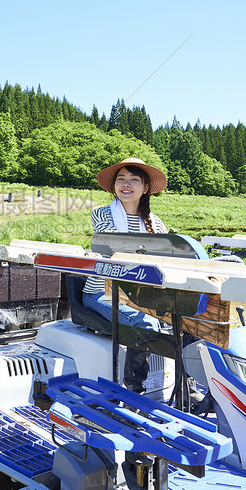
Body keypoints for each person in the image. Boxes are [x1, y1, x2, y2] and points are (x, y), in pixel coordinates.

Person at [80, 157, 169, 393]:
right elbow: (114, 247)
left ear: (146, 187)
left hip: (140, 295)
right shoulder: (102, 215)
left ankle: (188, 385)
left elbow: (167, 258)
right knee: (146, 322)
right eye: (121, 180)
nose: (126, 184)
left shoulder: (156, 223)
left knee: (191, 321)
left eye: (133, 180)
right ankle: (134, 390)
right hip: (101, 292)